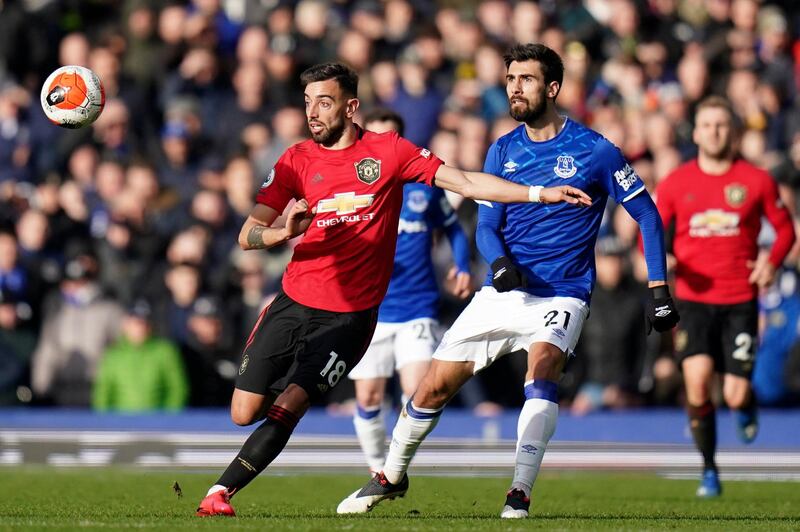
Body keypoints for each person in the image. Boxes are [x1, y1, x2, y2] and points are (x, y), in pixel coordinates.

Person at [195, 62, 591, 517]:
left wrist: (539, 193)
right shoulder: (295, 160)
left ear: (351, 106)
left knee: (293, 402)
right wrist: (283, 233)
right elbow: (247, 234)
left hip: (350, 317)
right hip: (292, 301)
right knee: (243, 413)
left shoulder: (389, 152)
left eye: (324, 102)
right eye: (308, 103)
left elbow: (463, 181)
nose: (313, 113)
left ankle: (219, 493)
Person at [336, 43, 679, 519]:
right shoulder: (503, 149)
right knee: (431, 389)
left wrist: (658, 289)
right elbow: (487, 226)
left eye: (527, 79)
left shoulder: (595, 150)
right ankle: (391, 476)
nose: (515, 87)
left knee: (541, 372)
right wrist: (497, 264)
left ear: (553, 88)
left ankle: (519, 491)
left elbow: (646, 213)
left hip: (563, 293)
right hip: (503, 292)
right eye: (511, 78)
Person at [655, 96, 795, 498]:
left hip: (740, 301)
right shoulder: (677, 183)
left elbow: (786, 230)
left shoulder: (756, 181)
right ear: (696, 132)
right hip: (695, 301)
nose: (715, 132)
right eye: (707, 125)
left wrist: (771, 262)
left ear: (732, 132)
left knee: (733, 394)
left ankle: (746, 404)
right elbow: (654, 232)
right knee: (697, 385)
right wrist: (660, 259)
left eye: (722, 125)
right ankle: (710, 469)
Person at [349, 108, 472, 474]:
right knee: (368, 396)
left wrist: (462, 265)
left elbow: (454, 230)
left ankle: (395, 468)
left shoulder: (424, 190)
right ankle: (375, 468)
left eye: (388, 137)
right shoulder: (353, 189)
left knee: (417, 391)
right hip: (370, 309)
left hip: (418, 308)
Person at [92, 300, 188, 412]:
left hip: (157, 423)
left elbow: (177, 388)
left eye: (144, 323)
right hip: (120, 423)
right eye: (136, 323)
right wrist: (105, 421)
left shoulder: (165, 351)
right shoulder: (113, 355)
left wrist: (167, 418)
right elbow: (103, 392)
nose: (140, 328)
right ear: (126, 324)